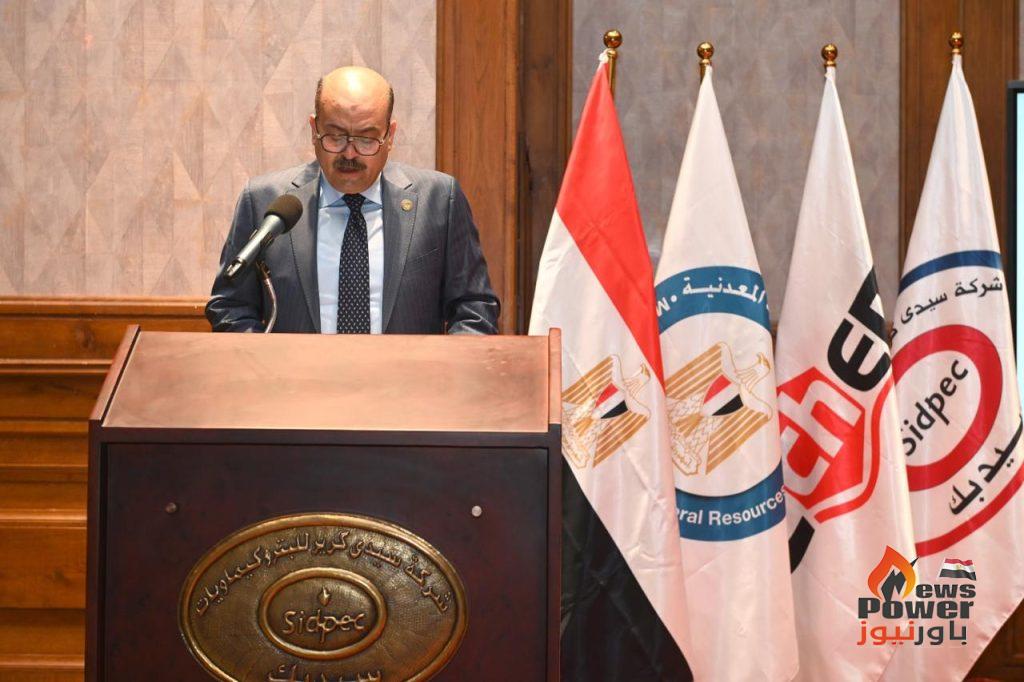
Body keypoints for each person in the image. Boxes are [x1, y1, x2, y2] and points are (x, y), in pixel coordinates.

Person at [206, 66, 499, 334]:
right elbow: (231, 306)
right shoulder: (264, 202)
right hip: (296, 376)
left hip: (406, 376)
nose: (349, 153)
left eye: (366, 139)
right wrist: (270, 367)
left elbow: (474, 310)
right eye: (335, 137)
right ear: (314, 130)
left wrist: (440, 370)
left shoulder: (438, 200)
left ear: (390, 135)